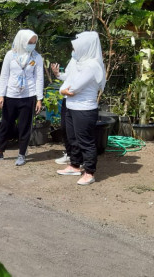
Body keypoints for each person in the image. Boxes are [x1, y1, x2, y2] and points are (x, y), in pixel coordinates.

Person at [0, 29, 44, 166]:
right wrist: (1, 95)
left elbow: (39, 78)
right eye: (30, 42)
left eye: (34, 42)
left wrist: (39, 98)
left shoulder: (36, 57)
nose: (32, 45)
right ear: (22, 41)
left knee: (24, 126)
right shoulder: (10, 55)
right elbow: (4, 75)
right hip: (11, 95)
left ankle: (22, 154)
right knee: (6, 124)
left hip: (28, 96)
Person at [55, 31, 105, 185]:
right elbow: (67, 83)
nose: (74, 51)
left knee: (85, 140)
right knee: (72, 138)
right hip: (71, 107)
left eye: (77, 48)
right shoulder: (79, 63)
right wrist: (63, 89)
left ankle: (89, 172)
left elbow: (73, 88)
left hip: (84, 109)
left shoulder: (91, 65)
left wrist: (64, 90)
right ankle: (75, 165)